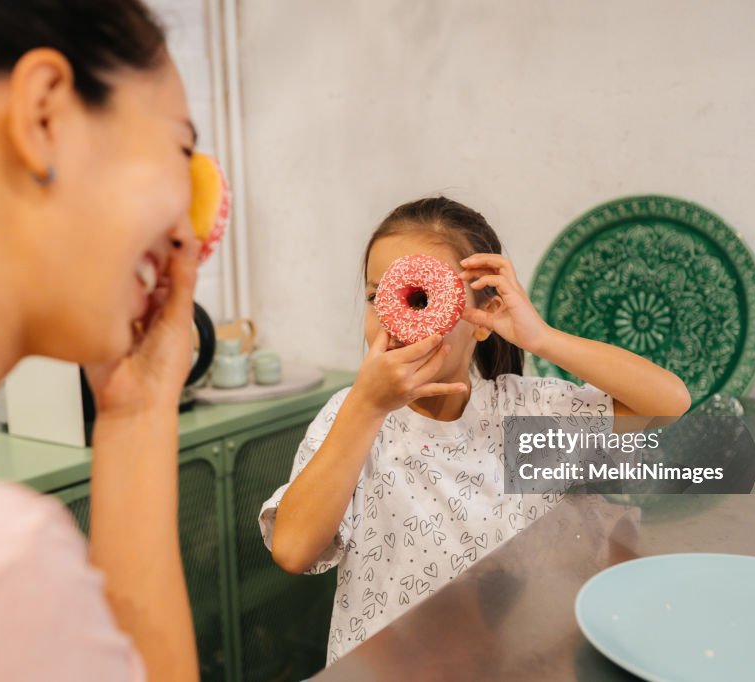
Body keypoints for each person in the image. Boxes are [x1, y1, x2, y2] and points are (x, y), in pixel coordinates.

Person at [0, 1, 202, 679]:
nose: (187, 233)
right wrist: (365, 408)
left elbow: (504, 503)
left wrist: (139, 408)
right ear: (44, 115)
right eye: (181, 148)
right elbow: (297, 544)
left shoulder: (501, 404)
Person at [259, 196, 691, 663]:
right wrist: (365, 408)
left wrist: (540, 336)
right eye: (375, 296)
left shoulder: (525, 415)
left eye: (420, 299)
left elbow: (668, 404)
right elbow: (293, 549)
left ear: (481, 319)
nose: (394, 319)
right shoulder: (351, 419)